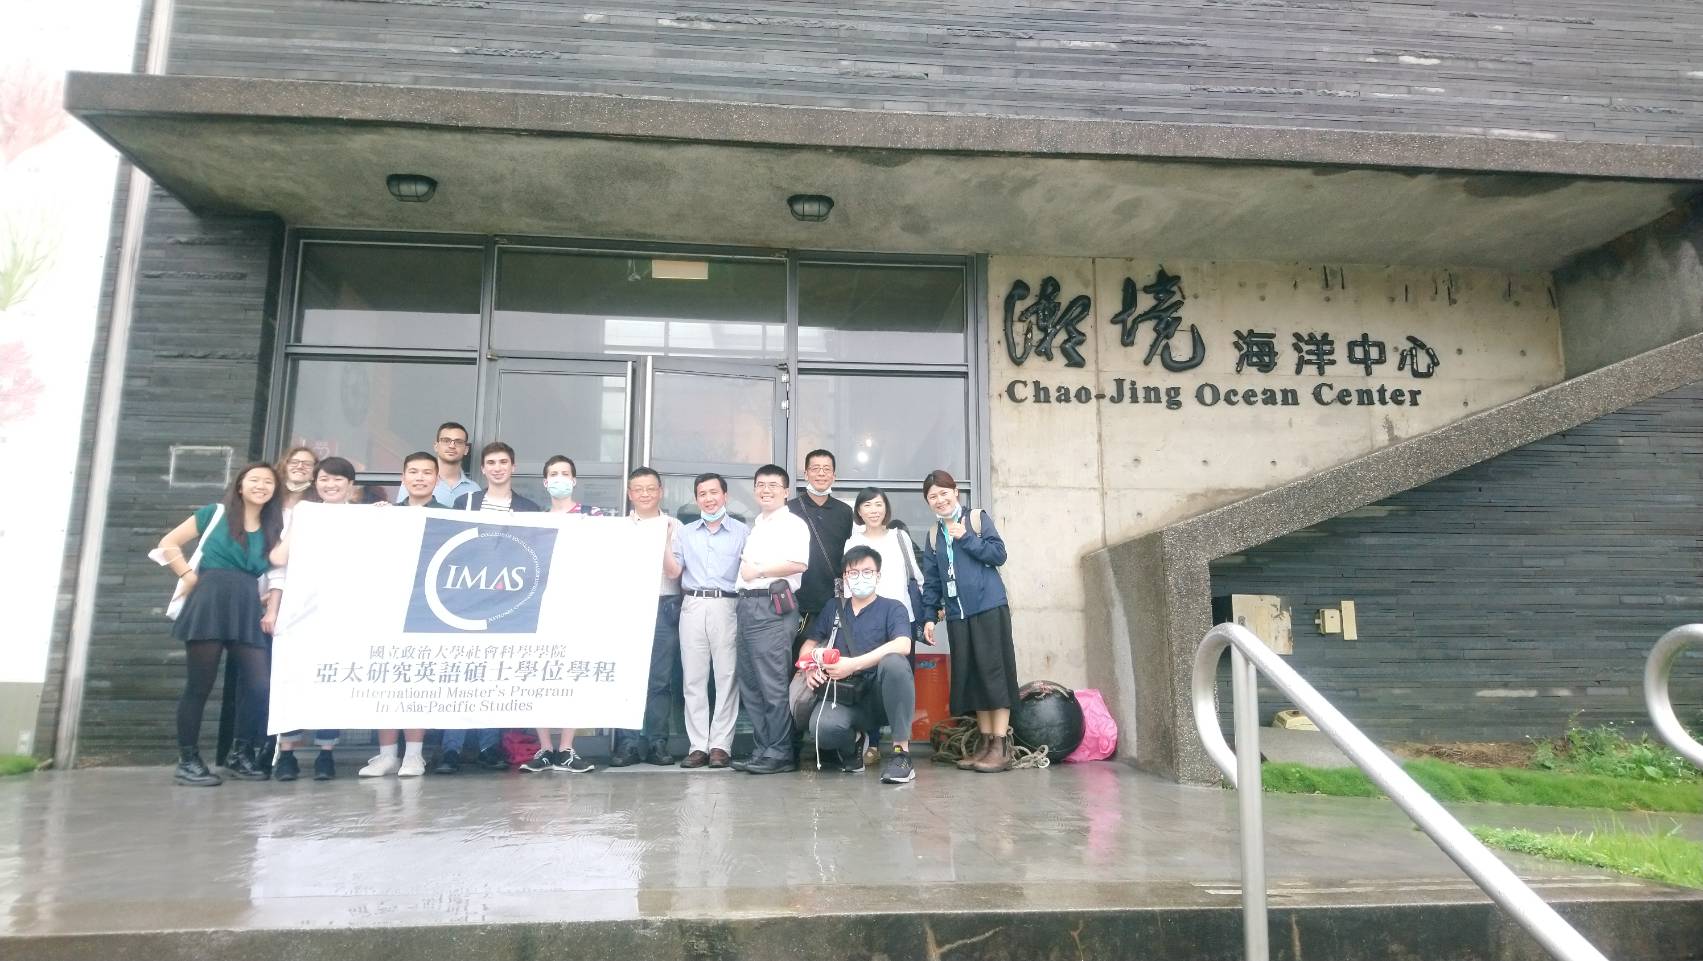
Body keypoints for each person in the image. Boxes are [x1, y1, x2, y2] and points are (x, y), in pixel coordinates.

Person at [154, 462, 284, 786]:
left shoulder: (274, 526)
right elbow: (168, 543)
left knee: (259, 685)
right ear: (240, 485)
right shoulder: (214, 512)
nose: (261, 486)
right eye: (254, 479)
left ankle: (239, 754)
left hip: (246, 602)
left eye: (268, 482)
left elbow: (279, 566)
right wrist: (187, 575)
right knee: (200, 685)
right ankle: (188, 760)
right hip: (209, 598)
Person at [435, 441, 540, 774]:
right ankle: (451, 749)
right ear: (482, 469)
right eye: (491, 462)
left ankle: (489, 746)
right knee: (462, 673)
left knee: (497, 672)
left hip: (509, 602)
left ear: (513, 466)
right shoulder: (465, 502)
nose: (497, 467)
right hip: (465, 599)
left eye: (503, 462)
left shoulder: (529, 508)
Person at [265, 455, 358, 781]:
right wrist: (273, 608)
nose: (331, 485)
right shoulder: (303, 514)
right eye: (324, 480)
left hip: (342, 616)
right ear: (316, 484)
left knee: (333, 679)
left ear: (350, 485)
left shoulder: (362, 518)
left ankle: (326, 754)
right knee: (293, 678)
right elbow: (279, 561)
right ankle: (287, 753)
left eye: (338, 480)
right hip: (299, 612)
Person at [919, 470, 1019, 773]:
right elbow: (932, 581)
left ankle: (1000, 746)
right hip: (958, 615)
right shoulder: (933, 534)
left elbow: (998, 554)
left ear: (956, 493)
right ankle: (986, 743)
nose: (939, 500)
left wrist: (968, 539)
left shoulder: (975, 519)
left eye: (943, 493)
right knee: (974, 678)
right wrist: (928, 617)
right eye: (932, 496)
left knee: (994, 675)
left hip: (988, 608)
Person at [793, 546, 917, 784]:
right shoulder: (833, 608)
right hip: (845, 695)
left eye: (867, 571)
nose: (861, 577)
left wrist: (854, 664)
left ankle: (902, 754)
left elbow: (903, 644)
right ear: (845, 578)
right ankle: (854, 747)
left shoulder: (893, 608)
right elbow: (808, 645)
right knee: (822, 730)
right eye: (853, 573)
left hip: (882, 696)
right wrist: (809, 666)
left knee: (895, 663)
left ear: (878, 576)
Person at [519, 455, 603, 774]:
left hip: (578, 605)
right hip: (540, 605)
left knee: (571, 674)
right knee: (539, 674)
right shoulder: (535, 520)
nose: (559, 478)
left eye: (565, 473)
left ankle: (567, 748)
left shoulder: (590, 515)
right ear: (545, 482)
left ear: (574, 480)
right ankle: (545, 748)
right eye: (553, 473)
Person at [360, 451, 442, 778]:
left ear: (436, 479)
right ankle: (386, 755)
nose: (420, 478)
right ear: (403, 478)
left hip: (426, 608)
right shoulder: (387, 514)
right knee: (387, 682)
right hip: (387, 607)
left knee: (417, 683)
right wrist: (374, 519)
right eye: (413, 472)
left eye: (426, 472)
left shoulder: (448, 516)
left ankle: (414, 755)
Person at [732, 464, 811, 774]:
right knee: (750, 682)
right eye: (761, 485)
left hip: (772, 607)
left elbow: (799, 564)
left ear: (786, 491)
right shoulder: (758, 524)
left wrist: (760, 571)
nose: (766, 490)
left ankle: (780, 752)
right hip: (747, 607)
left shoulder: (792, 524)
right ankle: (764, 748)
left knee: (772, 683)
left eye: (773, 485)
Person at [669, 472, 748, 769]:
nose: (709, 498)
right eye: (702, 493)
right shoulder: (685, 532)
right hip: (692, 604)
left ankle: (720, 745)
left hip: (728, 605)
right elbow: (673, 571)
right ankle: (698, 745)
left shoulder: (743, 532)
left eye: (714, 492)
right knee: (693, 678)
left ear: (725, 495)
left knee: (727, 677)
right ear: (696, 498)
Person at [611, 467, 685, 767]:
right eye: (638, 489)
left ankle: (657, 742)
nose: (644, 494)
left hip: (663, 605)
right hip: (628, 607)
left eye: (650, 488)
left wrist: (663, 540)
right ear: (630, 493)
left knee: (659, 679)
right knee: (627, 677)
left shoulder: (675, 525)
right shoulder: (618, 527)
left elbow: (674, 573)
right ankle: (627, 744)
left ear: (660, 491)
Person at [788, 449, 853, 645]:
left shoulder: (845, 512)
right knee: (795, 658)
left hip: (832, 598)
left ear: (834, 475)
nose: (821, 473)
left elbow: (849, 553)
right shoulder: (790, 509)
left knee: (831, 655)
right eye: (815, 469)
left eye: (826, 469)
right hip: (797, 600)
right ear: (806, 474)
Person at [845, 487, 925, 630]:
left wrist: (930, 611)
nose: (874, 510)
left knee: (901, 652)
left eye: (878, 504)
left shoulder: (900, 537)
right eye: (867, 505)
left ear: (886, 508)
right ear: (859, 511)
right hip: (865, 619)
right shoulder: (852, 542)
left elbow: (916, 577)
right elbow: (848, 585)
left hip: (901, 617)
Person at [395, 421, 480, 506]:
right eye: (446, 440)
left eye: (458, 442)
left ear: (466, 450)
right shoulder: (416, 483)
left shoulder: (474, 489)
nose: (452, 446)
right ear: (436, 446)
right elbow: (401, 514)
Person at [276, 446, 319, 511]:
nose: (300, 466)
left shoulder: (320, 501)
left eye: (307, 464)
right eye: (294, 462)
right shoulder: (272, 495)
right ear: (284, 467)